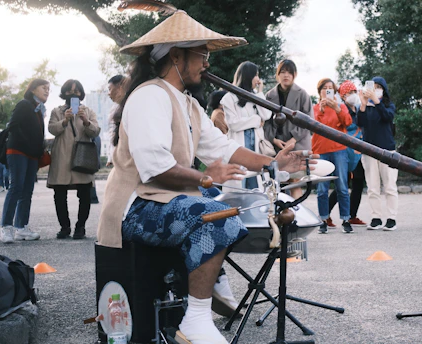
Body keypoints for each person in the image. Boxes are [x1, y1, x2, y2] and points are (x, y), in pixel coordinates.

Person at [101, 11, 312, 344]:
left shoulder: (188, 104)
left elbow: (225, 149)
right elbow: (155, 167)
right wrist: (203, 178)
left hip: (166, 201)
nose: (207, 64)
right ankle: (197, 319)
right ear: (176, 55)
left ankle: (206, 294)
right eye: (202, 55)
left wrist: (273, 162)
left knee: (232, 210)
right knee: (213, 217)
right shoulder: (148, 95)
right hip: (135, 206)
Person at [47, 79, 101, 240]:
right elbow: (52, 129)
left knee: (84, 194)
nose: (73, 94)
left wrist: (85, 121)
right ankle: (64, 227)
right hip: (61, 156)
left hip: (82, 157)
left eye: (76, 91)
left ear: (81, 94)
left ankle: (80, 227)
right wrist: (64, 120)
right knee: (59, 194)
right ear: (64, 93)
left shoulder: (88, 111)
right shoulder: (57, 111)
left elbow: (95, 131)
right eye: (70, 91)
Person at [0, 78, 49, 243]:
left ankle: (21, 228)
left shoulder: (39, 110)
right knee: (16, 188)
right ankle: (6, 227)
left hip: (32, 155)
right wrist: (28, 144)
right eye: (44, 88)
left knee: (27, 190)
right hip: (18, 151)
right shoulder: (24, 104)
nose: (47, 91)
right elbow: (13, 125)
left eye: (49, 89)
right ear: (33, 89)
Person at [264, 59, 313, 199]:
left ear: (295, 75)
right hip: (276, 145)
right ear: (277, 75)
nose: (286, 75)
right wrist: (273, 139)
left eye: (289, 72)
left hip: (297, 143)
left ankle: (296, 216)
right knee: (276, 182)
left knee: (295, 182)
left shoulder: (302, 94)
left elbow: (308, 121)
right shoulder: (269, 95)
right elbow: (265, 121)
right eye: (283, 72)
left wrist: (293, 139)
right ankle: (279, 217)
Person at [220, 61, 273, 189]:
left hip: (256, 148)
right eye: (256, 75)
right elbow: (233, 124)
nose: (258, 79)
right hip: (238, 148)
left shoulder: (256, 96)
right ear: (248, 76)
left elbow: (266, 115)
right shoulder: (229, 98)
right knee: (238, 188)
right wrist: (255, 120)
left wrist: (260, 93)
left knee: (256, 188)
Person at [312, 79, 353, 234]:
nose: (328, 91)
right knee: (322, 188)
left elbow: (348, 122)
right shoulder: (315, 108)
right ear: (320, 91)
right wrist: (322, 111)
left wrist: (337, 109)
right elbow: (313, 126)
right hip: (320, 150)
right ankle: (323, 220)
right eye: (325, 88)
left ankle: (346, 219)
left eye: (331, 89)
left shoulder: (341, 106)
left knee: (342, 186)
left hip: (339, 150)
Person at [358, 76, 398, 231]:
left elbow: (387, 117)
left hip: (387, 150)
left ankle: (391, 218)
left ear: (383, 89)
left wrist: (377, 101)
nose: (375, 89)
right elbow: (360, 123)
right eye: (372, 87)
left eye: (378, 87)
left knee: (389, 186)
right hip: (368, 150)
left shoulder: (388, 105)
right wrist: (363, 104)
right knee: (372, 187)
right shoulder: (366, 106)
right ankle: (376, 217)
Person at [328, 81, 367, 228]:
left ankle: (352, 215)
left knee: (358, 183)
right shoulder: (341, 109)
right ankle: (325, 215)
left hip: (358, 151)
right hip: (346, 150)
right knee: (342, 185)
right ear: (343, 96)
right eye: (348, 93)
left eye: (354, 92)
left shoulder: (358, 107)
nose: (352, 95)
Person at [105, 75, 126, 168]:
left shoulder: (130, 105)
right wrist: (111, 157)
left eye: (110, 89)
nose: (108, 93)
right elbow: (112, 134)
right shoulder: (114, 108)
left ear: (120, 87)